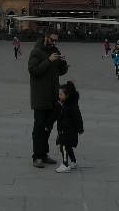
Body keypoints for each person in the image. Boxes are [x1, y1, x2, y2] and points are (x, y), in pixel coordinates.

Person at [28, 31, 69, 168]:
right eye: (52, 39)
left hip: (52, 96)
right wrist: (48, 60)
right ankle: (37, 157)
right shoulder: (36, 52)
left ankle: (44, 154)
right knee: (39, 127)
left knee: (48, 127)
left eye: (56, 40)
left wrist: (63, 63)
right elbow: (33, 71)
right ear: (46, 37)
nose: (54, 42)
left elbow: (60, 71)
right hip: (40, 97)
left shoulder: (55, 50)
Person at [55, 80, 84, 173]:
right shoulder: (65, 104)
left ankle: (65, 164)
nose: (59, 96)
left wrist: (80, 129)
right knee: (68, 147)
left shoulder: (71, 106)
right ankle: (73, 161)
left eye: (61, 94)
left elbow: (78, 117)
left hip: (68, 131)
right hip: (65, 131)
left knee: (63, 147)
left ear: (67, 95)